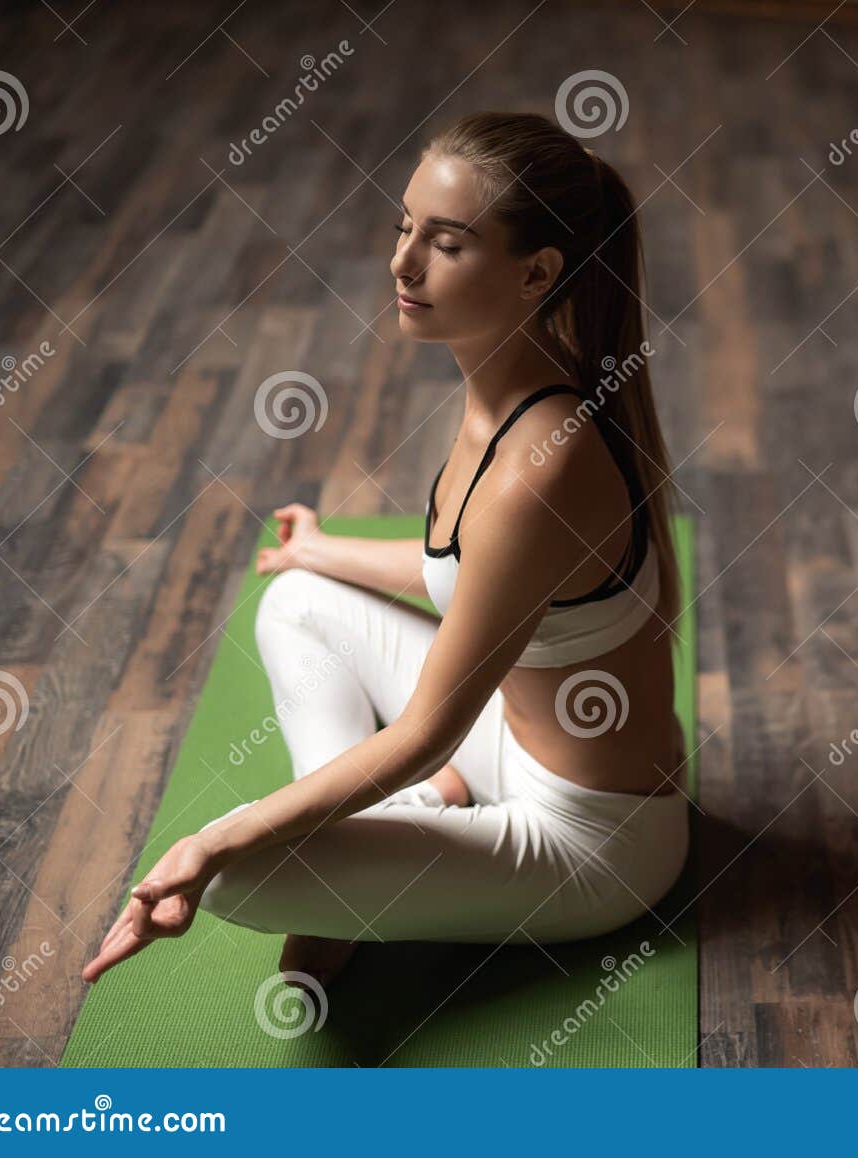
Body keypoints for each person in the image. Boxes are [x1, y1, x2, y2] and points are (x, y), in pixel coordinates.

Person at [82, 111, 689, 989]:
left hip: (588, 842)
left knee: (234, 878)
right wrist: (321, 551)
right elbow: (478, 579)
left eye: (446, 243)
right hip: (509, 743)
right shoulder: (509, 391)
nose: (402, 262)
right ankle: (412, 827)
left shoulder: (539, 466)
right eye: (405, 226)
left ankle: (401, 838)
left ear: (536, 273)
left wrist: (212, 840)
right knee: (297, 600)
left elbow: (421, 732)